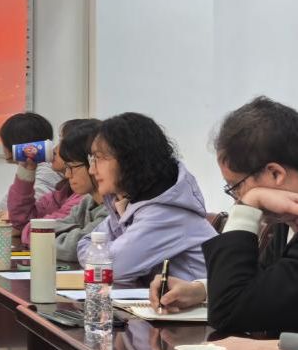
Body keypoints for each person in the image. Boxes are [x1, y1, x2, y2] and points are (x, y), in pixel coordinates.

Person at [150, 97, 298, 332]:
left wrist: (249, 203)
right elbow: (265, 286)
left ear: (275, 174)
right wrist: (200, 290)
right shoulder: (284, 222)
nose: (236, 199)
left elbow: (230, 311)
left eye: (235, 186)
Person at [77, 112, 215, 285]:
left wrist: (103, 253)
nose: (92, 170)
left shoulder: (167, 213)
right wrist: (102, 254)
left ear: (129, 159)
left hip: (204, 302)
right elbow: (86, 243)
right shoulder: (130, 203)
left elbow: (112, 267)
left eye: (99, 158)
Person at [9, 118, 99, 248]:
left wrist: (34, 230)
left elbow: (35, 230)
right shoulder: (64, 192)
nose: (55, 149)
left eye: (62, 141)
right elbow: (21, 222)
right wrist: (26, 170)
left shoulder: (85, 196)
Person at [39, 120, 108, 262]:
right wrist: (76, 231)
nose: (67, 175)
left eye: (72, 167)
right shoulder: (87, 202)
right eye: (66, 168)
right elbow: (40, 233)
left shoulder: (111, 210)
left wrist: (69, 232)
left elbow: (71, 249)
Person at [0, 112, 62, 220]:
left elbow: (28, 214)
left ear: (14, 144)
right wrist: (2, 214)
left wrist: (4, 215)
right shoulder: (28, 169)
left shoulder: (47, 169)